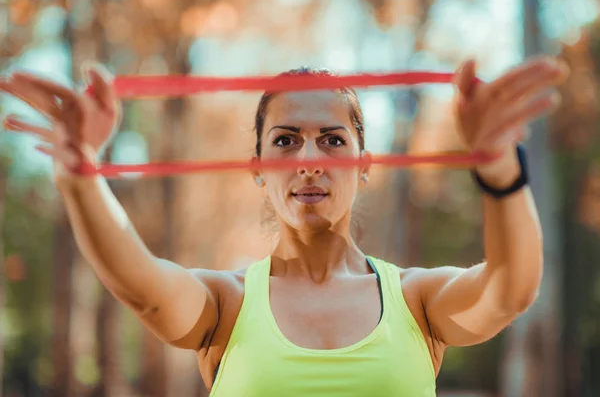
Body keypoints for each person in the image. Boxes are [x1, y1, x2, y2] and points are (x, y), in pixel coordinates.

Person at [1, 57, 568, 396]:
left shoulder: (418, 301)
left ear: (365, 165)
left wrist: (498, 167)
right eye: (286, 139)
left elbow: (508, 290)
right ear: (257, 170)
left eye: (333, 139)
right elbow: (144, 287)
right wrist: (82, 177)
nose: (309, 159)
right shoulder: (225, 305)